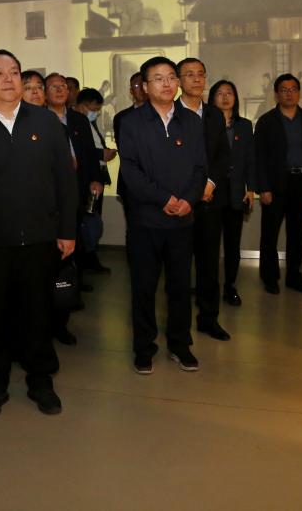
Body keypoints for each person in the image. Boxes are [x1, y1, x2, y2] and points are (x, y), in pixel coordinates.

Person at [0, 50, 77, 418]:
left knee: (38, 315)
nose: (8, 79)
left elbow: (65, 181)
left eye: (14, 72)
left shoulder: (46, 121)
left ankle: (41, 383)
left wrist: (67, 230)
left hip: (40, 239)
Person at [118, 56, 207, 374]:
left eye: (171, 77)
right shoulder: (131, 122)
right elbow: (130, 170)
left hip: (182, 219)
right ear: (144, 86)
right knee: (143, 288)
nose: (167, 83)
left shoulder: (192, 121)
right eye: (158, 78)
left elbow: (200, 168)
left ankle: (180, 345)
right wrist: (164, 198)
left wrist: (189, 200)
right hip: (145, 221)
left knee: (180, 287)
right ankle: (144, 348)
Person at [177, 58, 231, 341]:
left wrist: (210, 183)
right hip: (179, 202)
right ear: (178, 81)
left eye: (200, 74)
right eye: (189, 74)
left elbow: (222, 155)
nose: (196, 79)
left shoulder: (214, 115)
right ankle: (179, 325)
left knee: (209, 265)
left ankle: (209, 319)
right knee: (178, 267)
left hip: (210, 201)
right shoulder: (169, 113)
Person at [254, 74, 302, 294]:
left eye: (293, 89)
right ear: (276, 94)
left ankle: (294, 276)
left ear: (299, 93)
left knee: (296, 234)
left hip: (301, 182)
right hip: (275, 185)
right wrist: (263, 188)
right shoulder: (266, 121)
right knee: (270, 234)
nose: (289, 94)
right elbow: (259, 157)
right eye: (284, 90)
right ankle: (270, 277)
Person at [47, 72, 101, 341]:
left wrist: (95, 179)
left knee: (71, 254)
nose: (60, 90)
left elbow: (89, 154)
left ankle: (65, 311)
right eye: (53, 86)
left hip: (75, 195)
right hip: (48, 201)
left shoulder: (78, 119)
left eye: (63, 86)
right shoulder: (39, 120)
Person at [208, 80, 256, 307]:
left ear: (235, 98)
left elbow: (250, 159)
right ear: (212, 98)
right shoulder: (204, 124)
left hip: (236, 192)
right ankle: (208, 287)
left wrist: (251, 188)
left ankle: (230, 286)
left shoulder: (244, 126)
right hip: (211, 191)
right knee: (209, 244)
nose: (225, 97)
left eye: (229, 93)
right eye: (220, 93)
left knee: (232, 244)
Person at [74, 87, 116, 273]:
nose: (96, 113)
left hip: (97, 177)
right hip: (85, 180)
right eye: (93, 109)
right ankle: (84, 261)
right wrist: (101, 154)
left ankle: (90, 258)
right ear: (82, 105)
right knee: (86, 221)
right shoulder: (75, 122)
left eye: (98, 109)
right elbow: (83, 151)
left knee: (94, 219)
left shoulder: (89, 122)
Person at [113, 71, 148, 213]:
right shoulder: (122, 118)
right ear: (131, 91)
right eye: (136, 86)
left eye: (143, 84)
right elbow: (124, 150)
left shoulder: (164, 114)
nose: (140, 89)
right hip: (130, 182)